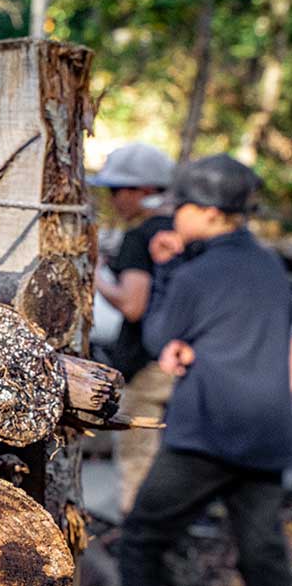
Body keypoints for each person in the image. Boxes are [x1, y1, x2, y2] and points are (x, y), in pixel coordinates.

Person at [119, 153, 292, 586]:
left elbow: (157, 337)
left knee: (142, 537)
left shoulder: (197, 273)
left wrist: (164, 270)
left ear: (211, 214)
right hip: (268, 434)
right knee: (261, 555)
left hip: (207, 433)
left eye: (182, 206)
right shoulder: (272, 267)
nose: (173, 213)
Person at [89, 143, 175, 514]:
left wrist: (97, 279)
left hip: (148, 364)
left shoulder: (141, 236)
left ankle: (134, 525)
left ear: (142, 190)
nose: (113, 199)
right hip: (180, 361)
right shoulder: (180, 232)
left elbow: (132, 303)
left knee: (138, 450)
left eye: (116, 190)